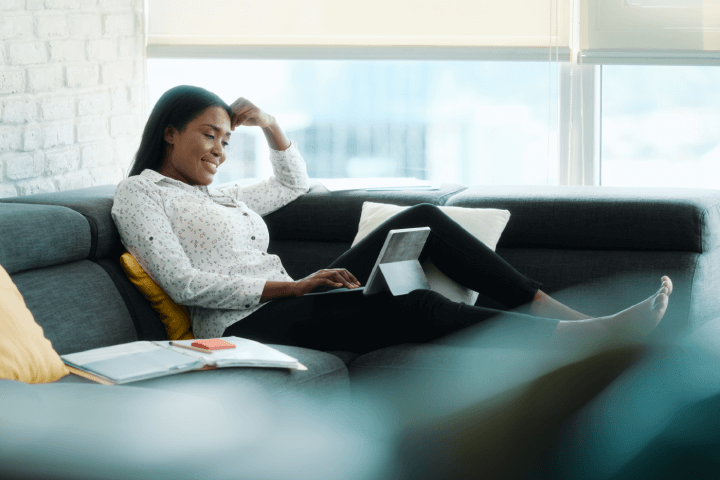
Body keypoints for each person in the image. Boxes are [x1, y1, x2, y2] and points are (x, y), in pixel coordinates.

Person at [112, 85, 673, 354]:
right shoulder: (141, 196)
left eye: (227, 140)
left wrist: (273, 127)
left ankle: (557, 310)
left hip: (293, 298)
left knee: (426, 217)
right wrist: (293, 287)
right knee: (415, 301)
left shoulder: (223, 196)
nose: (219, 150)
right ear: (169, 132)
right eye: (209, 136)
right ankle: (576, 339)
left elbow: (291, 184)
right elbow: (182, 282)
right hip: (241, 328)